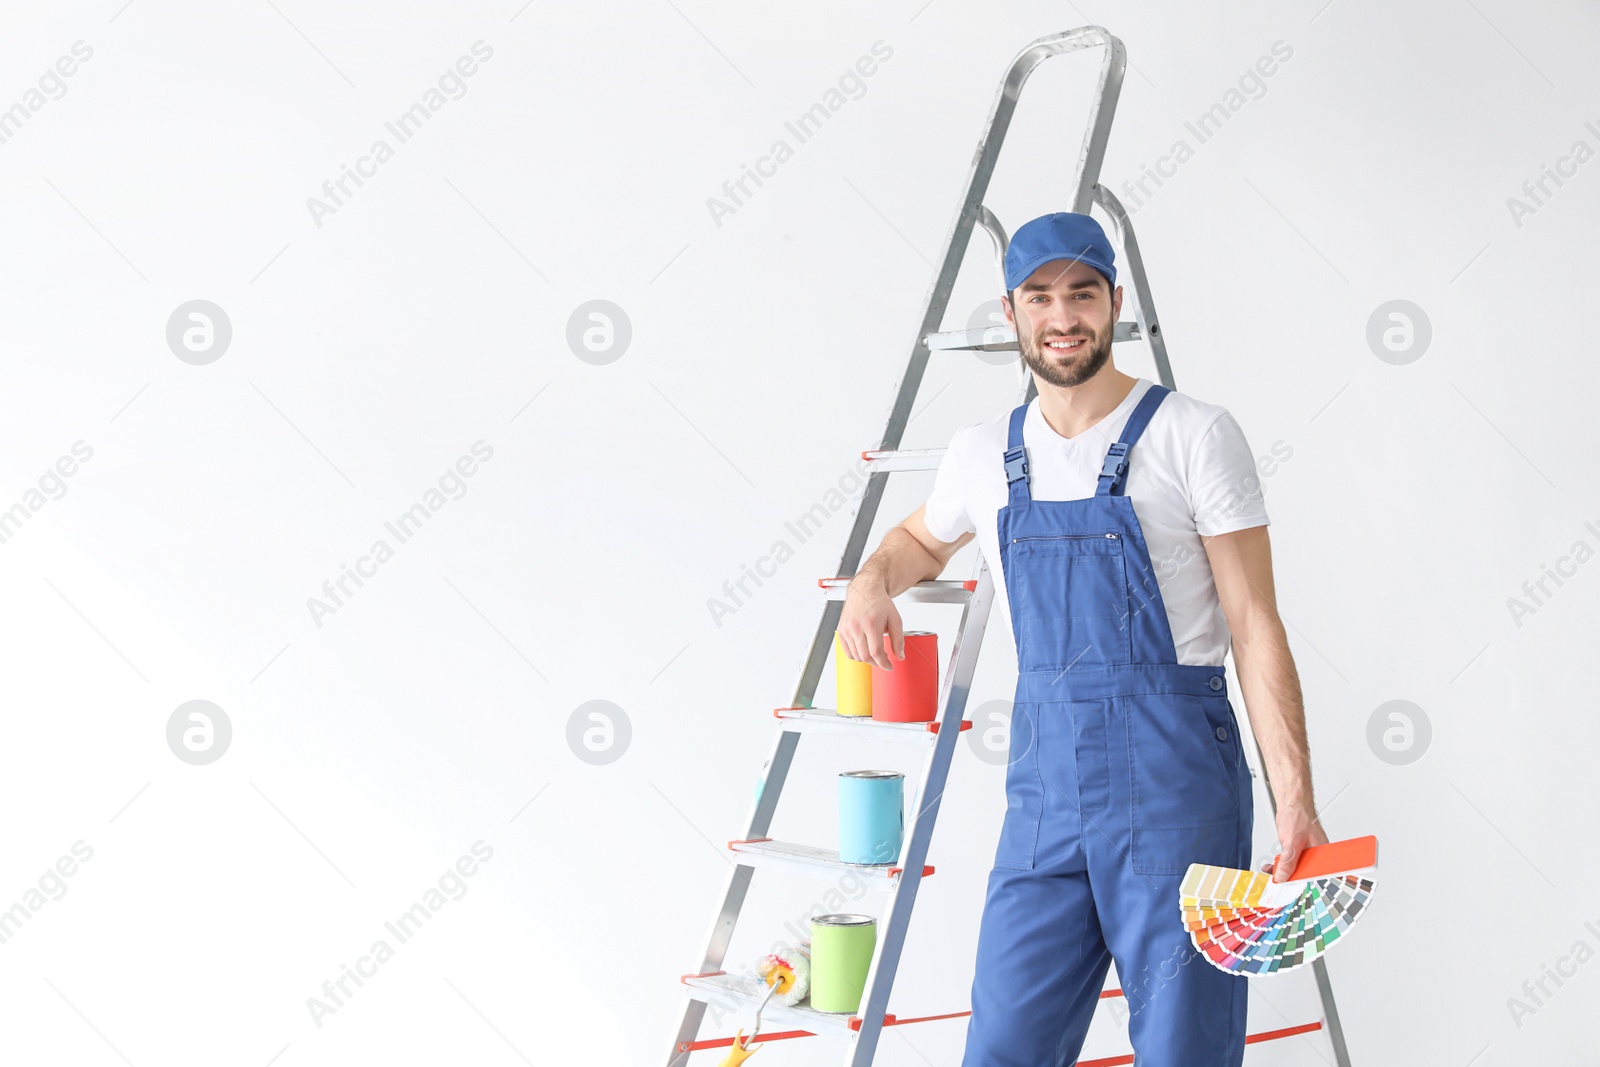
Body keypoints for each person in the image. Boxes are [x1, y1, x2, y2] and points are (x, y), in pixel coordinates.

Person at [835, 211, 1327, 1065]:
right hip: (1045, 794)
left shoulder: (1194, 434)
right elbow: (920, 537)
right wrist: (873, 582)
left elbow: (1254, 622)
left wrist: (1295, 796)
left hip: (1177, 789)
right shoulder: (984, 452)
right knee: (1004, 1046)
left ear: (1114, 303)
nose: (1064, 316)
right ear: (1013, 313)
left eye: (1083, 294)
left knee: (1185, 1048)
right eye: (1042, 297)